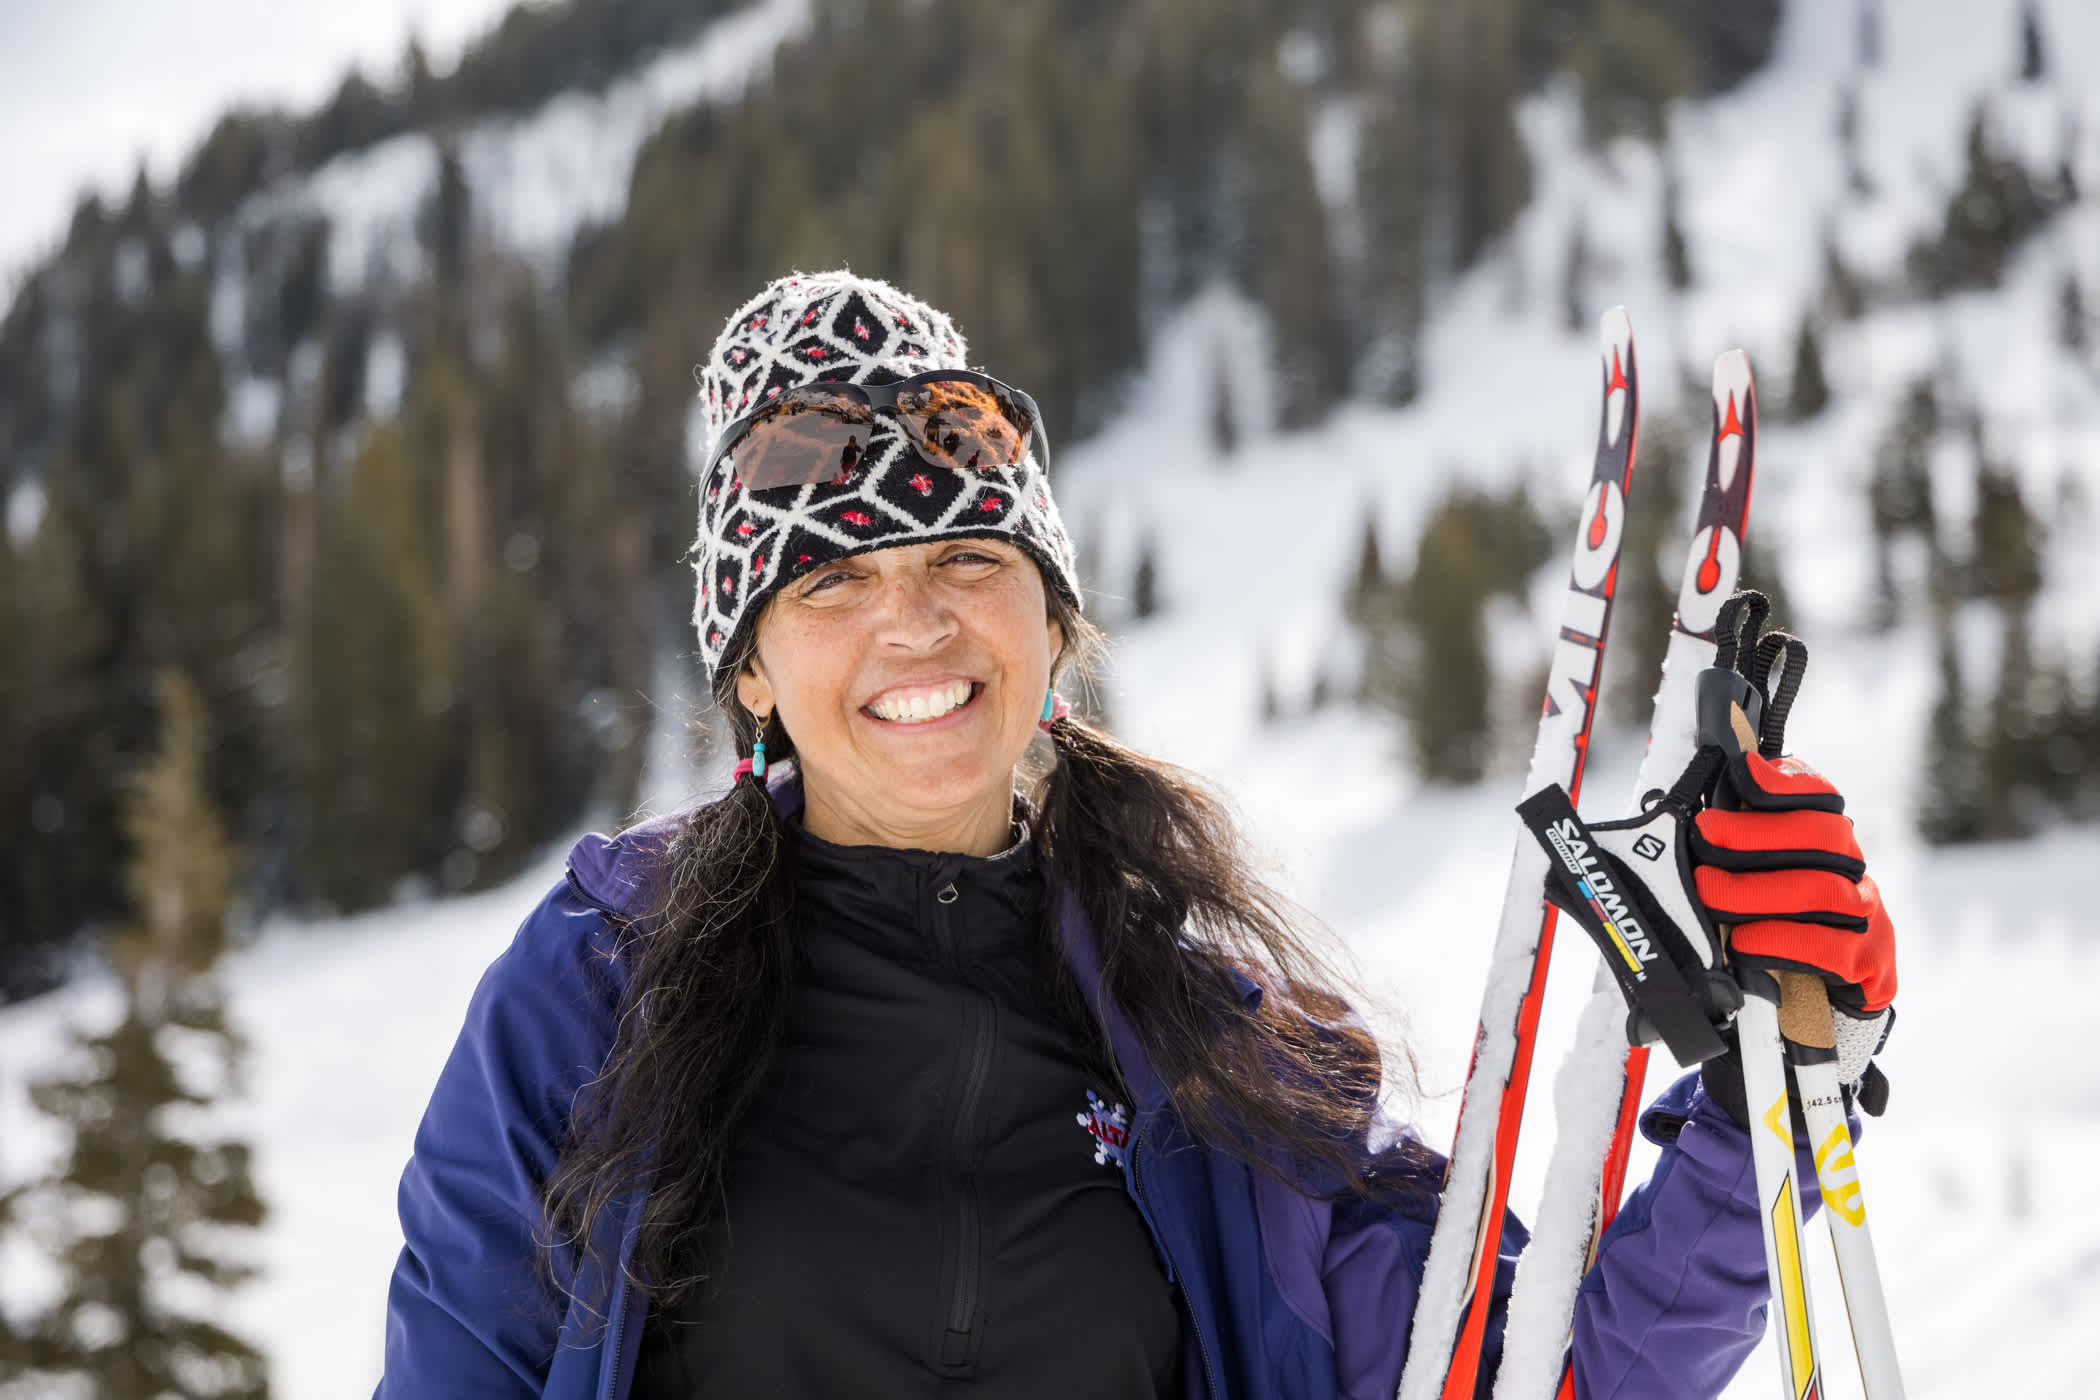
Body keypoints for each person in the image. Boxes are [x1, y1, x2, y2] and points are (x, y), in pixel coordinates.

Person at [374, 270, 1898, 1399]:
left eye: (970, 556)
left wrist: (1770, 1064)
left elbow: (1543, 1371)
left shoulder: (1207, 1046)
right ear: (752, 673)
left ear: (1051, 629)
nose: (913, 624)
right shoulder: (596, 991)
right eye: (831, 586)